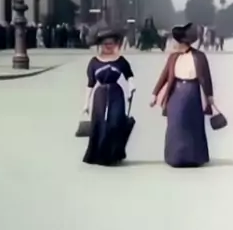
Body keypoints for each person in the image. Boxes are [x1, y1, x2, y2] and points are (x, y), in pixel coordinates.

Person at [150, 22, 216, 168]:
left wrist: (209, 96)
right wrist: (155, 94)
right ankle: (175, 157)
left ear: (182, 42)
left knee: (193, 125)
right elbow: (164, 76)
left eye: (175, 41)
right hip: (176, 93)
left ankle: (194, 157)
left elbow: (207, 77)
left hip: (193, 93)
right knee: (176, 124)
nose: (173, 44)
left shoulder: (199, 56)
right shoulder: (173, 57)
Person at [82, 29, 135, 166]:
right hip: (100, 94)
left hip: (116, 93)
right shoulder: (94, 62)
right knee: (100, 124)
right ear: (100, 45)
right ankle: (99, 155)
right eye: (106, 44)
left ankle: (114, 154)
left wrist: (131, 88)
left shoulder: (120, 61)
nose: (109, 47)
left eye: (111, 44)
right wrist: (86, 103)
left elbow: (129, 75)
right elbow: (90, 84)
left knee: (115, 122)